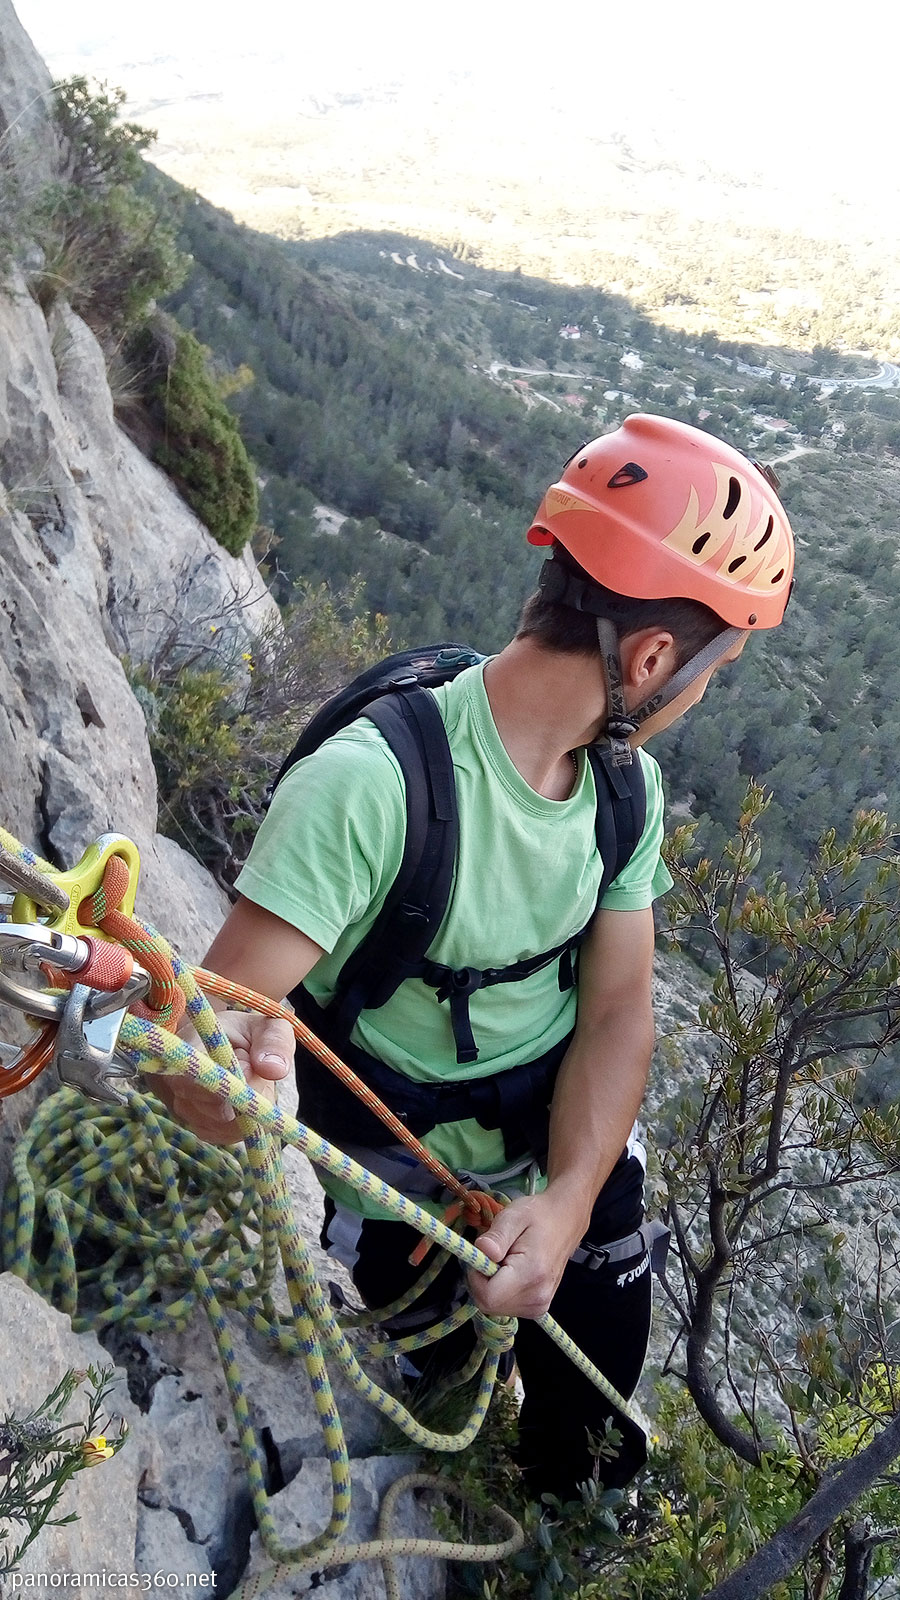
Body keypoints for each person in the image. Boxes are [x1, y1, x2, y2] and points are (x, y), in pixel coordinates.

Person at [162, 412, 795, 1500]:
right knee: (443, 1364)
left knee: (589, 1411)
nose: (698, 696)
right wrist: (228, 1087)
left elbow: (618, 1012)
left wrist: (565, 1198)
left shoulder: (621, 792)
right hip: (396, 1163)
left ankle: (566, 1502)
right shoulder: (369, 786)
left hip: (561, 1145)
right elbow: (198, 1065)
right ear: (651, 659)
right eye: (710, 672)